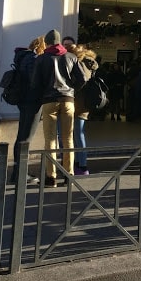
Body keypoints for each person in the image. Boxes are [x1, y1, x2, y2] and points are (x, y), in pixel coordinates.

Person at [32, 29, 87, 187]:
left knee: (50, 139)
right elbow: (82, 78)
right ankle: (69, 175)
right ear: (59, 42)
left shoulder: (41, 59)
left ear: (47, 43)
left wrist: (43, 92)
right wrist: (71, 89)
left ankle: (51, 177)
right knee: (68, 138)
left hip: (49, 101)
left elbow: (35, 83)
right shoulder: (71, 57)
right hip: (68, 100)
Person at [10, 36, 46, 185]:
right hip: (32, 101)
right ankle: (21, 174)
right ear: (40, 46)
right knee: (26, 138)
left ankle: (17, 173)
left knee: (21, 136)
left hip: (24, 100)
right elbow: (34, 80)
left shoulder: (23, 57)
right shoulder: (33, 58)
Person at [70, 43, 99, 176]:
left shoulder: (82, 63)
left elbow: (80, 80)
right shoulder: (90, 63)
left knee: (77, 135)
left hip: (77, 103)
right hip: (84, 104)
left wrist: (72, 90)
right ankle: (81, 164)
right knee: (78, 135)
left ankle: (81, 165)